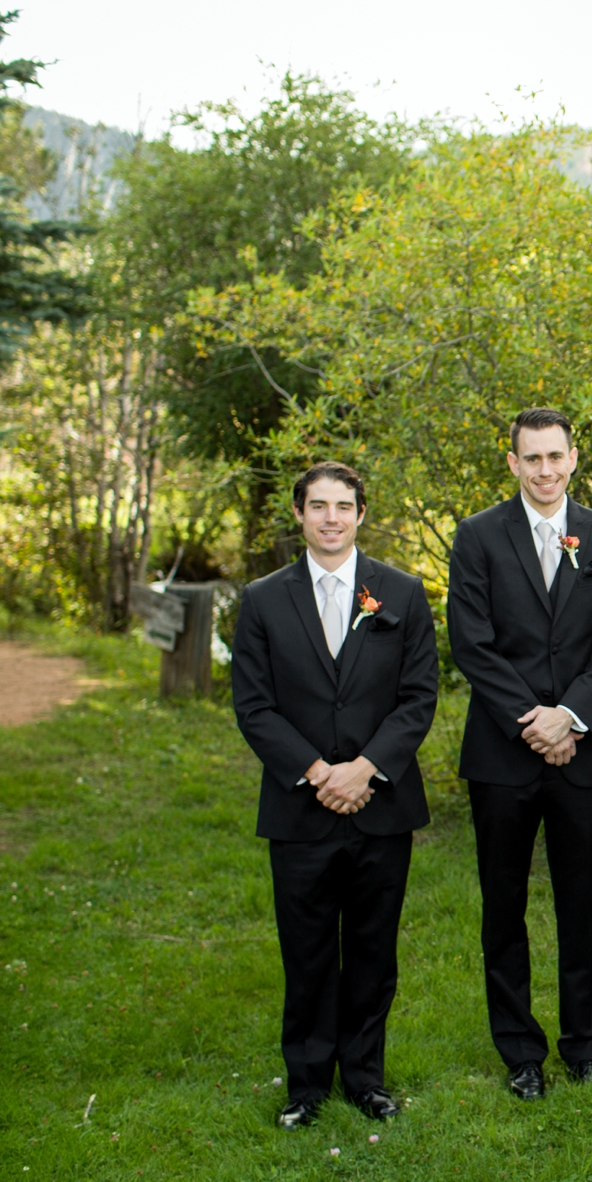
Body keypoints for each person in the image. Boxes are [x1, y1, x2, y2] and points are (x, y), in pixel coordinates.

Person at [231, 461, 439, 1129]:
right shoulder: (263, 599)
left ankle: (367, 1078)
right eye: (317, 505)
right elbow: (254, 706)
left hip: (381, 806)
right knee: (309, 950)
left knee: (374, 951)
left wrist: (367, 768)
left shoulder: (401, 593)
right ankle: (306, 1085)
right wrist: (320, 772)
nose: (330, 517)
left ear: (361, 514)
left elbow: (418, 698)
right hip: (300, 807)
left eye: (342, 506)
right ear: (298, 514)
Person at [447, 408, 592, 1100]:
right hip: (503, 753)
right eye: (532, 459)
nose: (545, 470)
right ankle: (520, 1051)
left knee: (581, 901)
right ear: (512, 463)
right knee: (503, 906)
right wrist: (534, 721)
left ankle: (586, 1045)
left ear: (574, 458)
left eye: (555, 456)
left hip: (583, 753)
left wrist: (571, 717)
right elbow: (471, 640)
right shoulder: (477, 537)